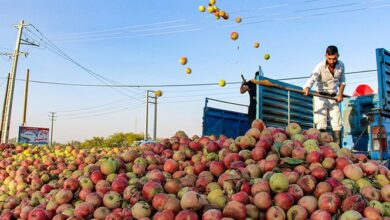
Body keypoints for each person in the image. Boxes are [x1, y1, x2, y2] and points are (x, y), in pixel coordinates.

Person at [303, 45, 346, 146]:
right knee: (321, 122)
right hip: (320, 96)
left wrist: (340, 95)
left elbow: (342, 82)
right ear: (326, 56)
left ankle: (337, 148)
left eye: (334, 58)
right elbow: (312, 78)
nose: (332, 61)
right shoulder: (319, 66)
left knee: (337, 122)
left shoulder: (341, 65)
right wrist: (307, 87)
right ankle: (322, 147)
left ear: (338, 56)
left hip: (333, 96)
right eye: (329, 59)